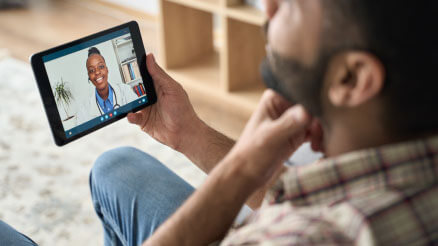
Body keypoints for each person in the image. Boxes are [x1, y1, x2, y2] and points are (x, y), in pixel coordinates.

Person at [1, 0, 437, 245]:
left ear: (352, 78)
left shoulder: (303, 237)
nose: (268, 5)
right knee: (115, 167)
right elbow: (315, 191)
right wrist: (185, 131)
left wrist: (241, 169)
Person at [76, 47, 138, 125]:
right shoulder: (83, 111)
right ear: (89, 77)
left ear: (107, 69)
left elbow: (139, 116)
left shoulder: (125, 91)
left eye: (101, 67)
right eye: (92, 70)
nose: (97, 72)